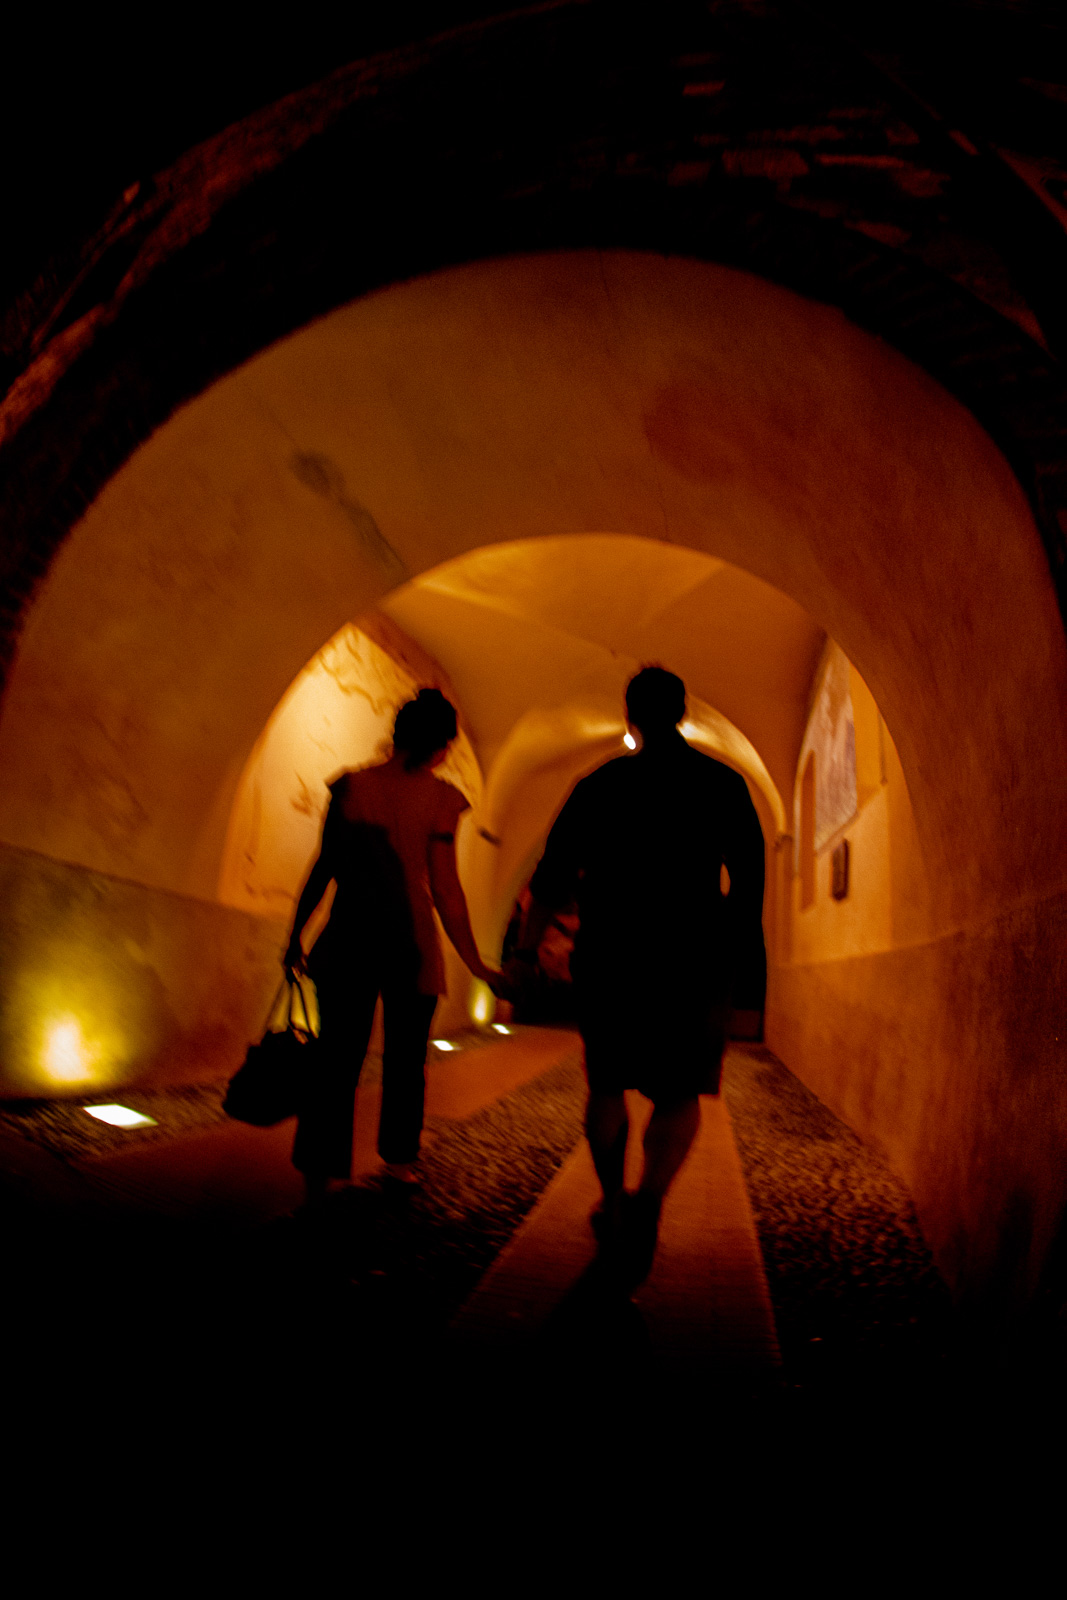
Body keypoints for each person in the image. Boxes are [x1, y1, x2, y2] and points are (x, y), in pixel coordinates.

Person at [510, 666, 765, 1291]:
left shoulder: (599, 785)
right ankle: (649, 1198)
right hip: (693, 954)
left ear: (631, 716)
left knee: (607, 1083)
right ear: (682, 712)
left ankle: (613, 1200)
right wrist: (732, 957)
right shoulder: (723, 783)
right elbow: (749, 883)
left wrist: (525, 950)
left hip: (614, 951)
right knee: (679, 1092)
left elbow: (551, 876)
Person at [284, 687, 500, 1203]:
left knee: (336, 1059)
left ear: (398, 734)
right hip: (411, 940)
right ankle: (400, 1161)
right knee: (406, 1061)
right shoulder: (442, 799)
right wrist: (474, 961)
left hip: (349, 934)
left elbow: (325, 866)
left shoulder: (350, 786)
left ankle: (319, 1173)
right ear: (441, 746)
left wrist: (296, 934)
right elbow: (445, 888)